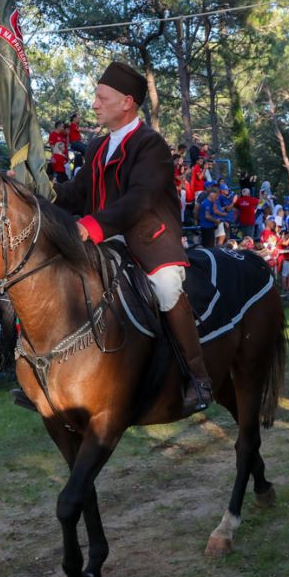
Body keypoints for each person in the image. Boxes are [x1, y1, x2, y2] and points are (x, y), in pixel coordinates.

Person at [50, 61, 213, 415]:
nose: (94, 103)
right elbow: (78, 192)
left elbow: (138, 201)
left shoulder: (151, 145)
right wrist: (45, 191)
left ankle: (197, 377)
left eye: (101, 97)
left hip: (149, 240)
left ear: (127, 102)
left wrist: (91, 226)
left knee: (168, 287)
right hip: (104, 238)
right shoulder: (96, 146)